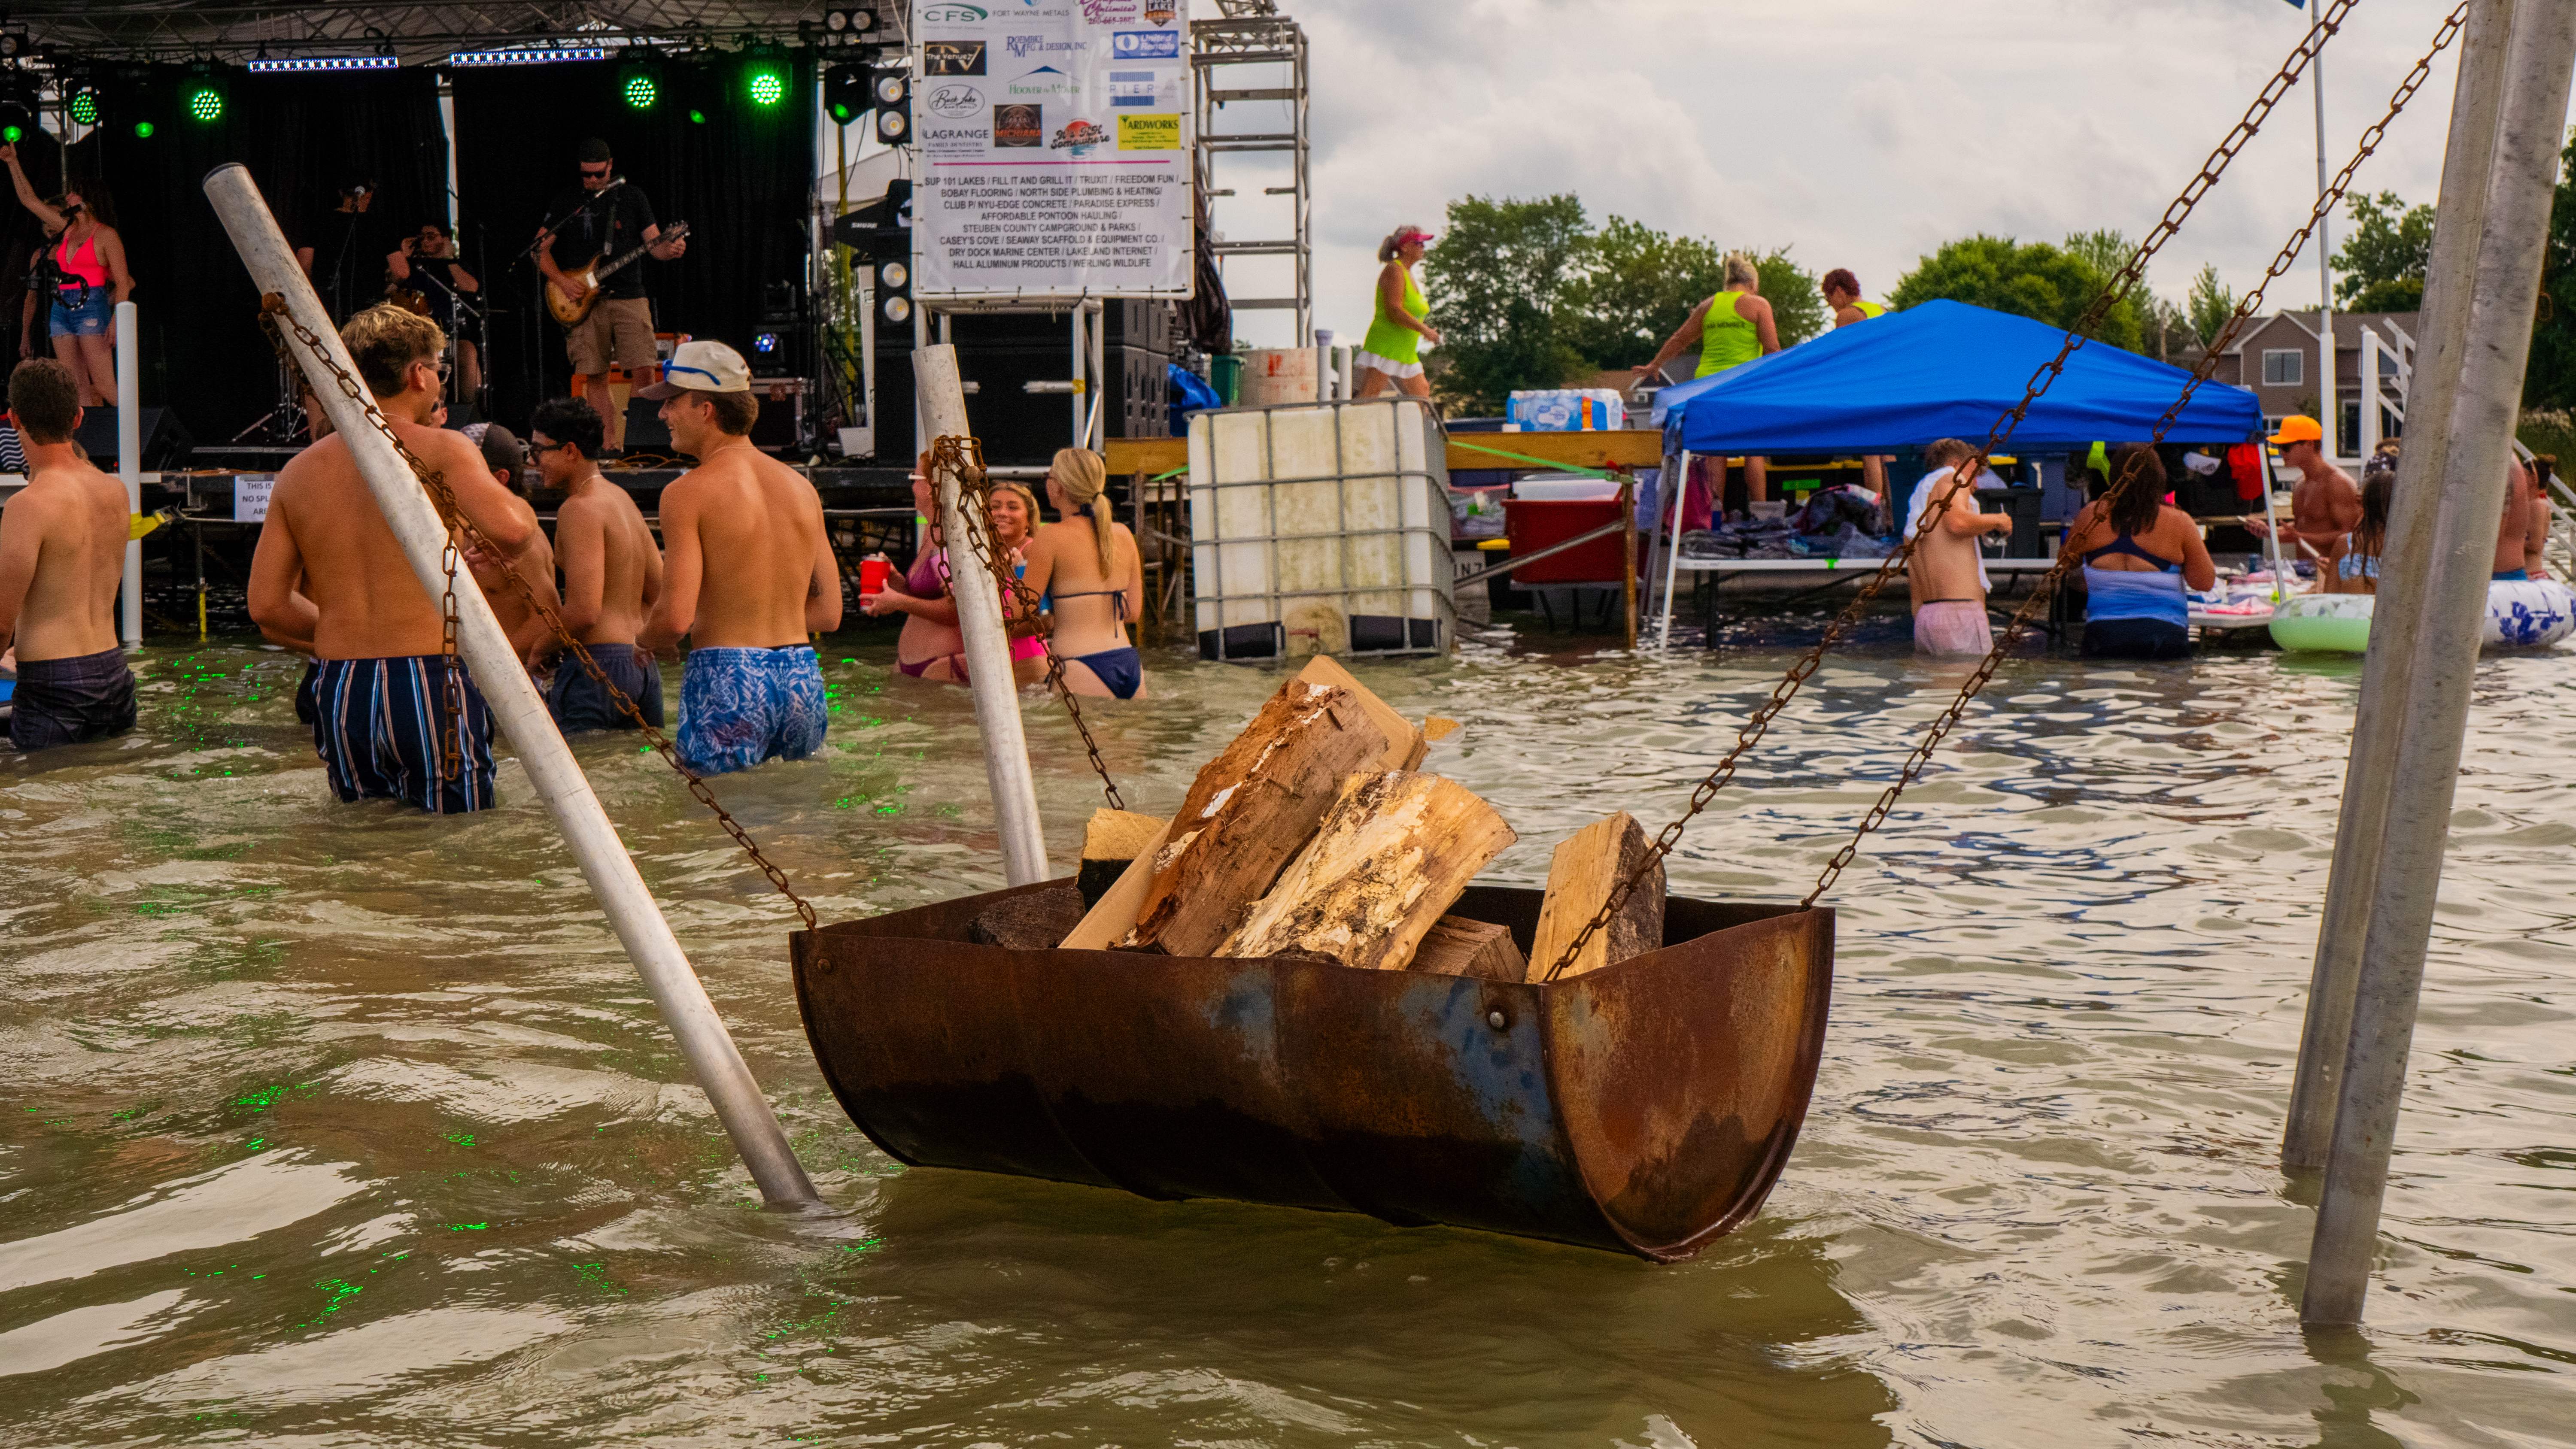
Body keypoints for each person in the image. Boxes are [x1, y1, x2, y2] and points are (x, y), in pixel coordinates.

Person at [247, 304, 547, 812]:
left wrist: (342, 633)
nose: (440, 383)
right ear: (417, 374)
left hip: (342, 683)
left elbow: (267, 607)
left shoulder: (299, 473)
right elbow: (513, 532)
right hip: (429, 676)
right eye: (439, 369)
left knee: (365, 838)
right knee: (459, 838)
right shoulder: (442, 449)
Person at [635, 341, 838, 774]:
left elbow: (675, 618)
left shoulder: (688, 492)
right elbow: (829, 613)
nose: (662, 414)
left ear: (705, 409)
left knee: (717, 824)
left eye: (671, 402)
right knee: (797, 821)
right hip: (802, 675)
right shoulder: (803, 489)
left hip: (729, 677)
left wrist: (644, 641)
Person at [0, 358, 136, 750]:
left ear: (14, 420)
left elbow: (1, 619)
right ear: (78, 417)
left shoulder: (28, 505)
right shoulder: (115, 491)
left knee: (45, 805)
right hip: (115, 673)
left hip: (53, 686)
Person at [535, 139, 687, 455]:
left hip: (629, 295)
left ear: (611, 166)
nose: (592, 181)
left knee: (644, 370)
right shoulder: (568, 202)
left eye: (599, 174)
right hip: (583, 301)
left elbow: (655, 246)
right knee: (595, 377)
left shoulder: (632, 197)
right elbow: (539, 250)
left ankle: (640, 443)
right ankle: (608, 447)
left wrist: (671, 250)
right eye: (586, 175)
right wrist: (563, 282)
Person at [531, 396, 665, 731]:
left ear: (570, 451)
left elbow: (584, 611)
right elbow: (659, 590)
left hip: (597, 667)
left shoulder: (580, 509)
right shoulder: (623, 501)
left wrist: (538, 650)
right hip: (643, 669)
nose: (534, 463)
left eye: (537, 451)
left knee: (583, 775)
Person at [1639, 253, 1782, 509]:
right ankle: (1762, 516)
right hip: (1743, 388)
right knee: (1754, 450)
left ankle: (1715, 518)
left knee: (1715, 451)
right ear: (1751, 283)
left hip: (1708, 388)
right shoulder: (1759, 305)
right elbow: (1773, 350)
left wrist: (1655, 364)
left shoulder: (1708, 306)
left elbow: (1680, 339)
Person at [0, 151, 131, 407]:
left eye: (73, 193)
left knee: (104, 385)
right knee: (75, 386)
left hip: (92, 304)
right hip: (62, 307)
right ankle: (87, 445)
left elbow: (124, 282)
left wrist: (117, 319)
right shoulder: (65, 229)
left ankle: (137, 435)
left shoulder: (106, 236)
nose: (68, 196)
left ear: (87, 200)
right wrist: (13, 163)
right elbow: (29, 200)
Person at [2064, 445, 2216, 660]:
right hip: (2164, 633)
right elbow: (2204, 583)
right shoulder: (2179, 521)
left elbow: (2064, 566)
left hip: (2103, 633)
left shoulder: (2092, 515)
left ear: (2113, 476)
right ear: (2160, 477)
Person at [1023, 446, 1146, 700]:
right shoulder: (1123, 533)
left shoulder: (1050, 536)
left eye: (1049, 476)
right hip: (1128, 660)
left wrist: (1018, 570)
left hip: (1079, 664)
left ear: (1059, 487)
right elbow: (1133, 613)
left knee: (1071, 741)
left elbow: (1020, 610)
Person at [458, 423, 560, 673]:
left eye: (465, 473)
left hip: (508, 682)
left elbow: (548, 619)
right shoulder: (478, 529)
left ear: (500, 478)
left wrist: (486, 668)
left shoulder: (518, 538)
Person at [860, 457, 971, 680]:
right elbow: (926, 598)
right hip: (919, 668)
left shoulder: (951, 537)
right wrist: (897, 582)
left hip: (943, 667)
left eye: (915, 478)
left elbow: (958, 611)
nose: (911, 486)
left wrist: (899, 602)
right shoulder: (932, 531)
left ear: (933, 487)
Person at [1905, 439, 2011, 657]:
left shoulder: (1918, 510)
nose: (1976, 486)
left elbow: (1915, 592)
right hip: (1959, 615)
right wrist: (1999, 520)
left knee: (1936, 689)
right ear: (1957, 464)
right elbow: (1958, 524)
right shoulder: (1952, 478)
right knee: (1967, 687)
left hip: (1926, 617)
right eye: (1975, 474)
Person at [387, 221, 483, 403]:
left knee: (468, 352)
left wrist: (449, 260)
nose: (425, 241)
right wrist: (405, 258)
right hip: (417, 332)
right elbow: (390, 289)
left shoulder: (457, 264)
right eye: (422, 237)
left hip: (450, 329)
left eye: (431, 236)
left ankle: (471, 410)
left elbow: (471, 287)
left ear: (446, 240)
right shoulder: (414, 266)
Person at [2245, 415, 2360, 557]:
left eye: (2286, 447)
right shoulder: (2300, 482)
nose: (2282, 452)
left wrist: (2299, 537)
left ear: (2310, 445)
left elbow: (2351, 534)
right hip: (2305, 570)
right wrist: (2271, 531)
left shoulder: (2337, 483)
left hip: (2332, 573)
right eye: (2279, 447)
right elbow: (2306, 525)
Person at [1821, 268, 1891, 499]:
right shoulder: (1883, 310)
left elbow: (1841, 359)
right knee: (1890, 455)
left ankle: (1875, 516)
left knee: (1871, 454)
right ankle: (1895, 514)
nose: (1830, 305)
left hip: (1866, 389)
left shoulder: (1848, 315)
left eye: (1829, 298)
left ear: (1839, 292)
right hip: (1889, 387)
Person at [1356, 224, 1440, 399]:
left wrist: (1425, 329)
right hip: (1388, 344)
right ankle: (1346, 426)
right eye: (1419, 243)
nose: (1423, 247)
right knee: (1369, 395)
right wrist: (1424, 329)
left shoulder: (1407, 273)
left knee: (1423, 393)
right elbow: (1394, 311)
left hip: (1405, 348)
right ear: (1405, 247)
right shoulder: (1395, 269)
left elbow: (1410, 312)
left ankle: (1421, 427)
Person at [987, 479, 1052, 686]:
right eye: (995, 507)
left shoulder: (1032, 552)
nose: (1002, 513)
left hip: (1028, 659)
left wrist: (1020, 571)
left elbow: (1046, 620)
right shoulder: (984, 556)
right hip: (991, 659)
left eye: (1013, 507)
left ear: (1029, 519)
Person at [309, 177, 393, 325]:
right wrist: (390, 285)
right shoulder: (380, 226)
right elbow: (402, 271)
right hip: (369, 310)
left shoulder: (320, 221)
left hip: (325, 304)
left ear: (341, 193)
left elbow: (304, 264)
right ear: (369, 195)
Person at [2319, 459, 2394, 595]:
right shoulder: (2407, 549)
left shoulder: (2345, 545)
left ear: (2364, 503)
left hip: (2352, 617)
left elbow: (2329, 599)